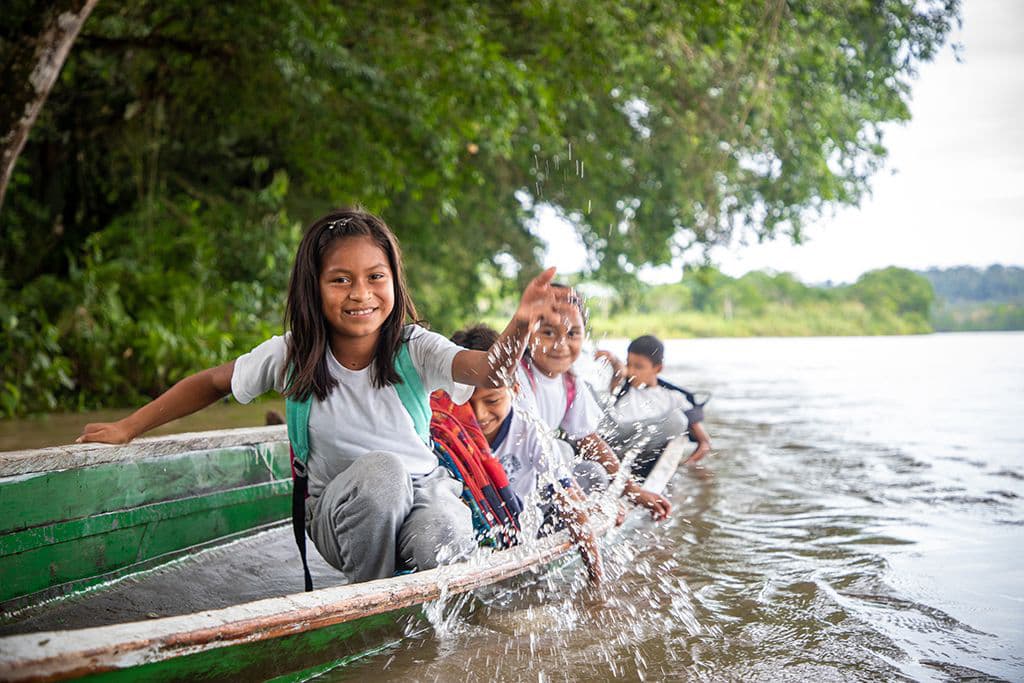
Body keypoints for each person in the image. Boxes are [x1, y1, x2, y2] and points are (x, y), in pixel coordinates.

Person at [77, 208, 560, 585]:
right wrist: (127, 427)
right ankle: (367, 597)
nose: (360, 294)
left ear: (393, 281)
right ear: (315, 287)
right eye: (340, 280)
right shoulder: (293, 354)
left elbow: (486, 370)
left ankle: (423, 622)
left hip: (424, 497)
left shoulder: (414, 347)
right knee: (383, 472)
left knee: (448, 531)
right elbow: (209, 383)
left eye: (375, 277)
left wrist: (520, 324)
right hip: (339, 510)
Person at [451, 324, 603, 584]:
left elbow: (568, 495)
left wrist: (596, 579)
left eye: (492, 401)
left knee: (590, 478)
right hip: (473, 534)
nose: (479, 416)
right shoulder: (446, 430)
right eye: (466, 403)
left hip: (522, 526)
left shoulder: (529, 430)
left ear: (515, 390)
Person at [517, 286, 672, 521]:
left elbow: (588, 438)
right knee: (563, 452)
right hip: (509, 479)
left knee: (593, 473)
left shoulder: (569, 381)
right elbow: (537, 449)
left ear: (582, 334)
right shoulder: (518, 376)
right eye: (548, 332)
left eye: (571, 334)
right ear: (528, 332)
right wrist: (584, 504)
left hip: (543, 478)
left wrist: (631, 490)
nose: (561, 344)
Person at [595, 334, 712, 472]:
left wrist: (684, 467)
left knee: (678, 420)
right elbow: (619, 373)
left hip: (641, 452)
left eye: (638, 367)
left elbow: (704, 443)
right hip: (613, 441)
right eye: (628, 364)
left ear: (658, 368)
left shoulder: (673, 398)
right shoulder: (622, 388)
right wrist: (614, 361)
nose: (631, 371)